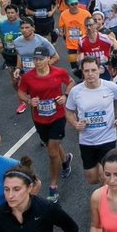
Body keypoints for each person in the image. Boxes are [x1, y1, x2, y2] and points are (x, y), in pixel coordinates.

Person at [16, 46, 74, 202]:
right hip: (39, 118)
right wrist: (29, 100)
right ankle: (66, 159)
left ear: (48, 59)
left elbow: (70, 82)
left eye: (40, 59)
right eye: (35, 59)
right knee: (51, 145)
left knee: (52, 152)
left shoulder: (58, 72)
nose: (37, 62)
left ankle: (53, 187)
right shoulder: (28, 77)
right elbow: (21, 92)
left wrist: (65, 95)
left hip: (58, 117)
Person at [65, 57, 117, 185]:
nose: (90, 74)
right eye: (86, 71)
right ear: (82, 71)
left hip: (107, 138)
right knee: (92, 179)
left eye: (93, 70)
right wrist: (75, 123)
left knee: (105, 176)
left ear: (100, 69)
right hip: (86, 140)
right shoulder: (76, 91)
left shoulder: (110, 87)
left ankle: (104, 201)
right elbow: (69, 111)